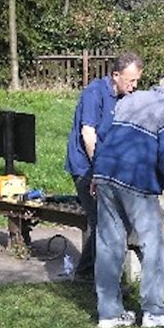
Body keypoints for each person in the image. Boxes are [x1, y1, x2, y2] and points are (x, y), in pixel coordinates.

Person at [92, 67, 164, 328]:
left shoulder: (130, 99)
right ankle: (154, 312)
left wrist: (97, 173)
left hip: (106, 173)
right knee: (154, 248)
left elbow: (104, 137)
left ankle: (109, 314)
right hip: (136, 179)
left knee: (108, 244)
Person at [64, 52, 144, 282]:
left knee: (112, 220)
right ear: (115, 75)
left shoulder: (126, 98)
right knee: (102, 221)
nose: (134, 85)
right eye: (131, 80)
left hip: (110, 167)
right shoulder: (94, 94)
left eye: (137, 80)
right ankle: (96, 276)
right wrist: (98, 172)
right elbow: (88, 135)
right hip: (86, 167)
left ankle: (90, 271)